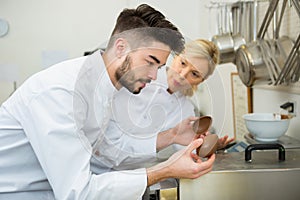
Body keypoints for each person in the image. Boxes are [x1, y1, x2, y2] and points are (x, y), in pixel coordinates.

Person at [0, 4, 215, 200]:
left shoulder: (105, 89)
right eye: (150, 62)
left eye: (158, 68)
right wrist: (166, 170)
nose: (153, 76)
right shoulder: (62, 92)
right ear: (121, 47)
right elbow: (78, 193)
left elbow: (113, 149)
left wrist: (173, 135)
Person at [91, 39, 234, 173]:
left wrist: (207, 147)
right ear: (176, 57)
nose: (183, 74)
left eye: (194, 74)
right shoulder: (137, 79)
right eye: (183, 63)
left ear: (201, 81)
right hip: (92, 167)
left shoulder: (186, 111)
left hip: (132, 176)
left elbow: (185, 151)